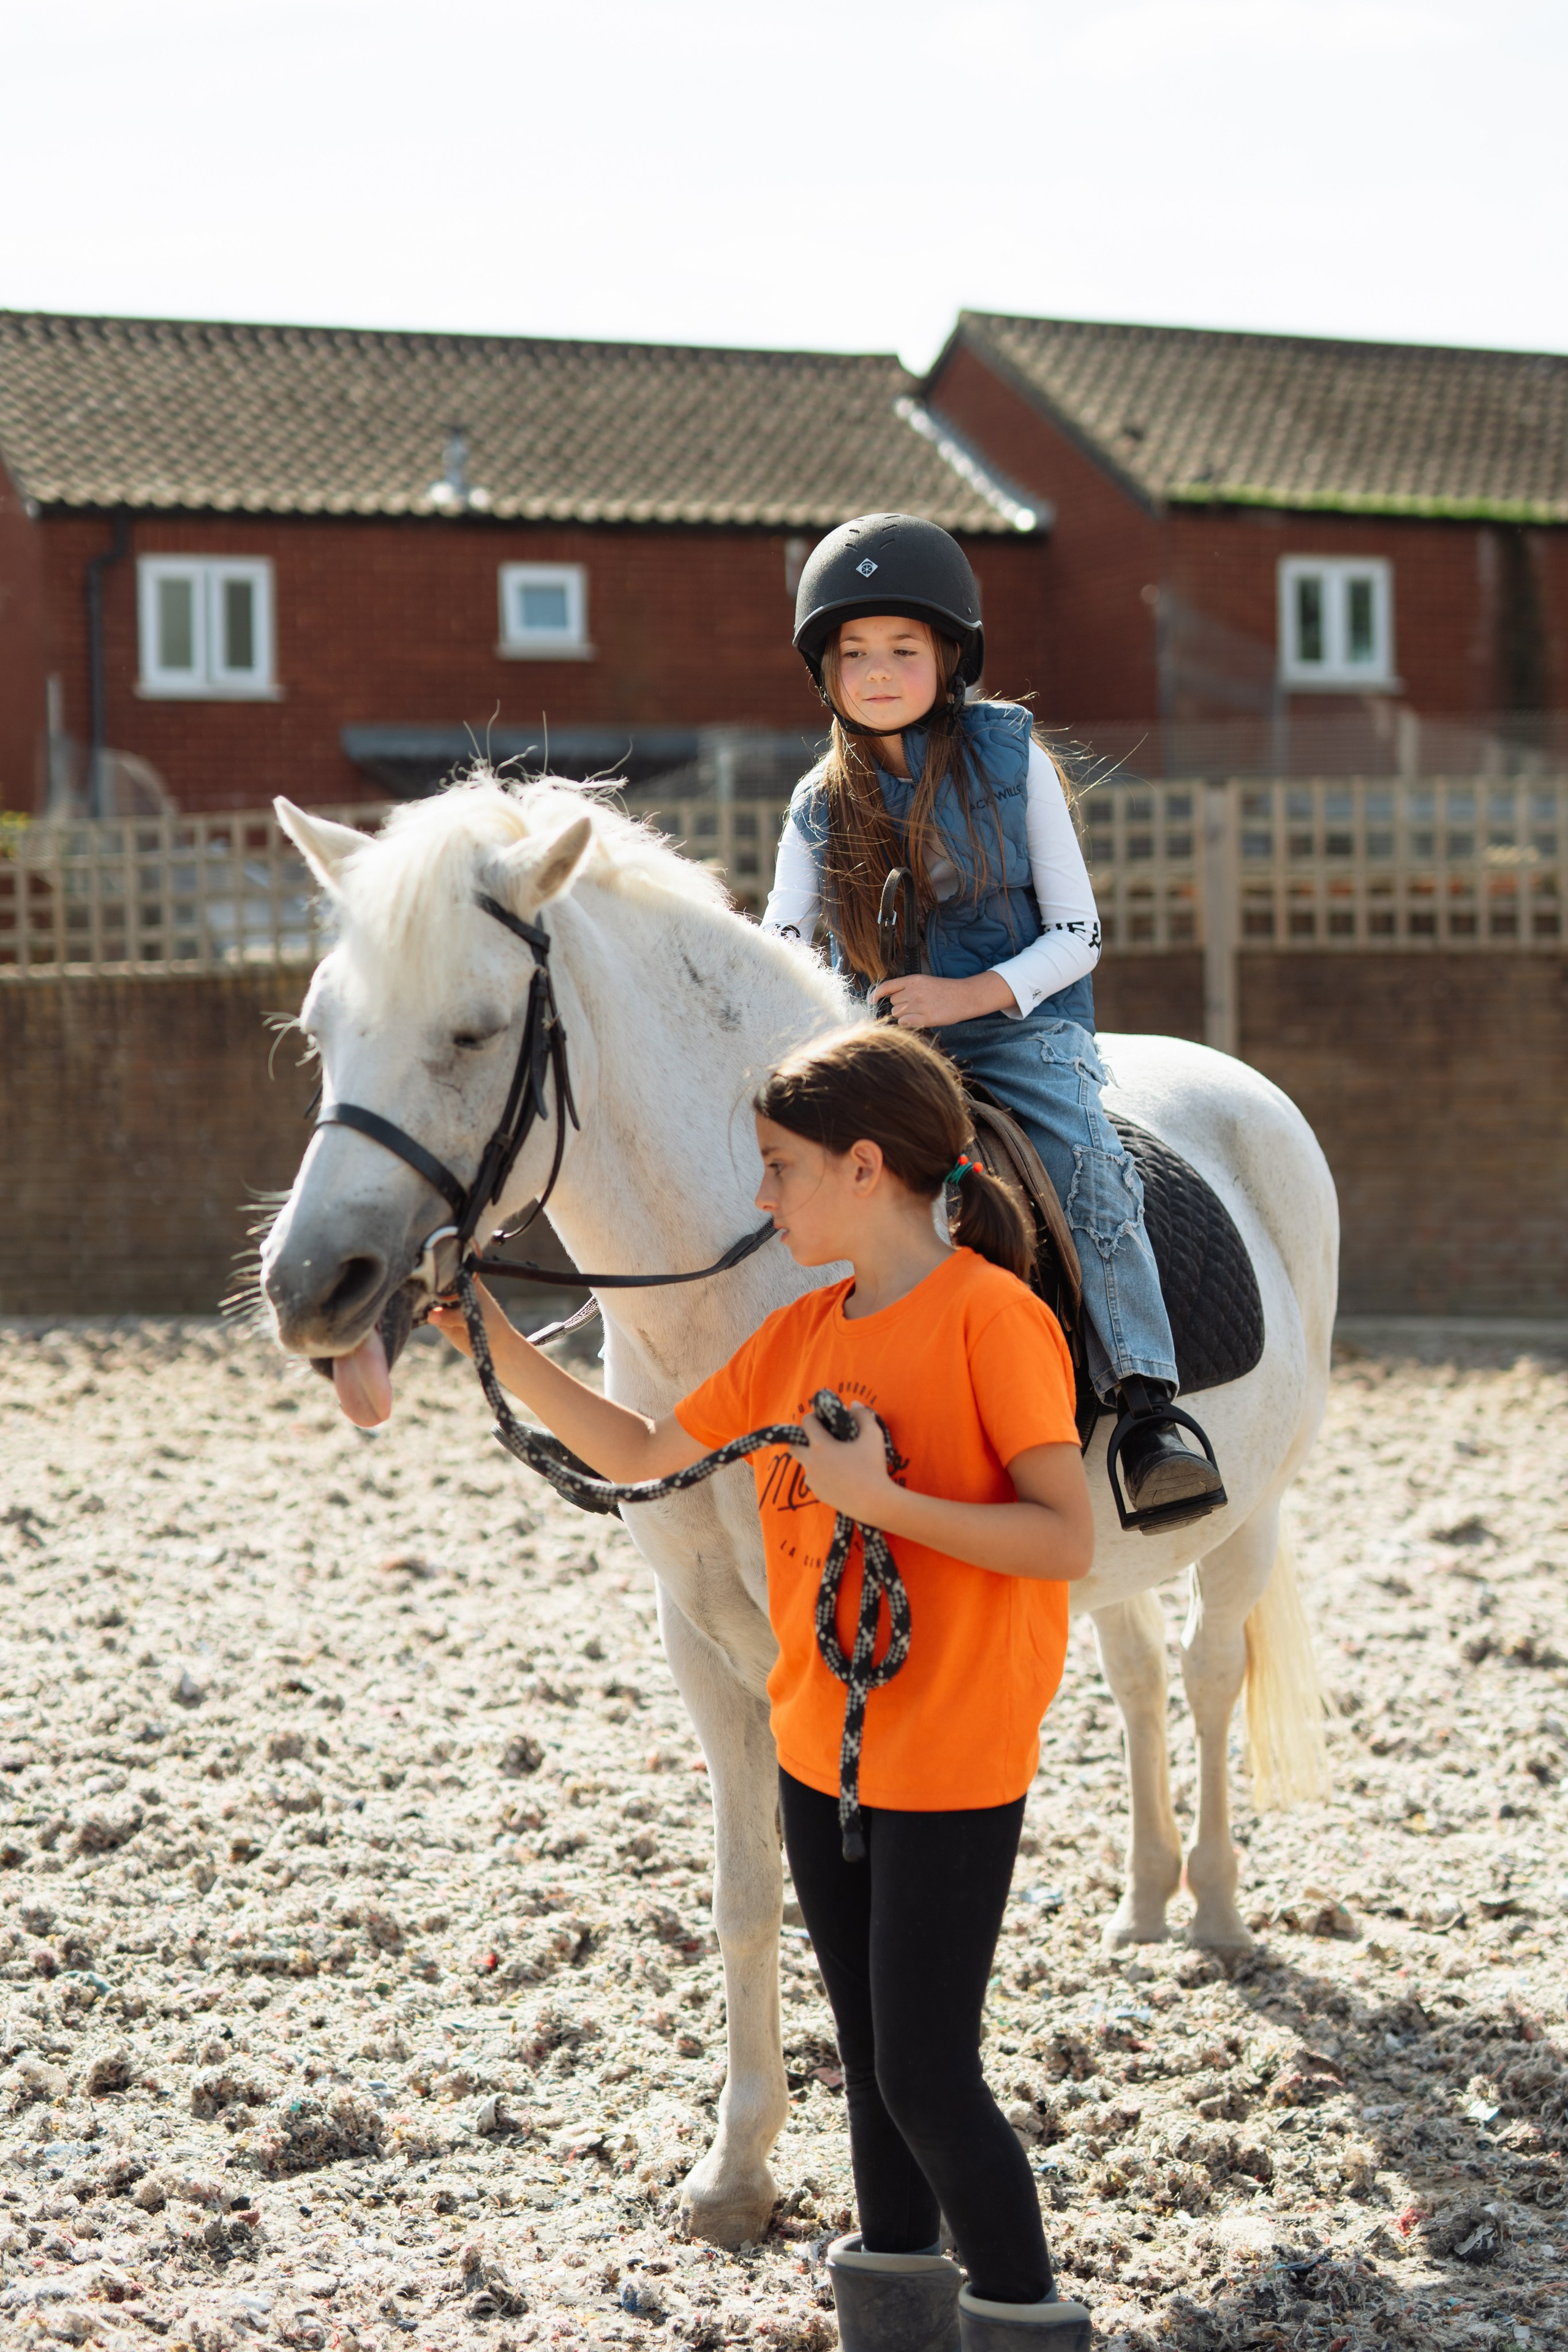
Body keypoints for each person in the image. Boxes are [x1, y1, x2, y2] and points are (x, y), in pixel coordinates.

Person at [432, 1023, 1095, 2350]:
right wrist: (487, 1334)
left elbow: (1064, 1539)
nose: (759, 1196)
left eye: (779, 1169)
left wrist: (881, 1500)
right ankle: (896, 2312)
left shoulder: (993, 1321)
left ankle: (1022, 2315)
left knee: (924, 2071)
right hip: (822, 1752)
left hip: (953, 1757)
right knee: (870, 2068)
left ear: (865, 1168)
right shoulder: (798, 1333)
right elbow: (631, 1445)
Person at [765, 510, 1225, 1530]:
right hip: (880, 1048)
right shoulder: (814, 802)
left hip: (1019, 1030)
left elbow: (1078, 931)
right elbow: (781, 942)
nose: (878, 671)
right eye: (854, 652)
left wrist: (968, 997)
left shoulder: (1013, 761)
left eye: (902, 649)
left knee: (1079, 1160)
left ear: (950, 657)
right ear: (825, 671)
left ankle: (1148, 1407)